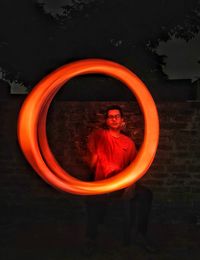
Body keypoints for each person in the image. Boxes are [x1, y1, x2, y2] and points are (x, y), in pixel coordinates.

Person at [83, 105, 155, 254]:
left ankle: (141, 234)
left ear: (122, 120)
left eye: (117, 116)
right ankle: (91, 239)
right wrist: (94, 160)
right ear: (107, 121)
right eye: (110, 116)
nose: (114, 119)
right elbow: (91, 162)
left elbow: (134, 168)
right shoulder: (99, 135)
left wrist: (130, 185)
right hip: (101, 184)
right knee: (92, 200)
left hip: (121, 184)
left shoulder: (128, 143)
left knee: (146, 194)